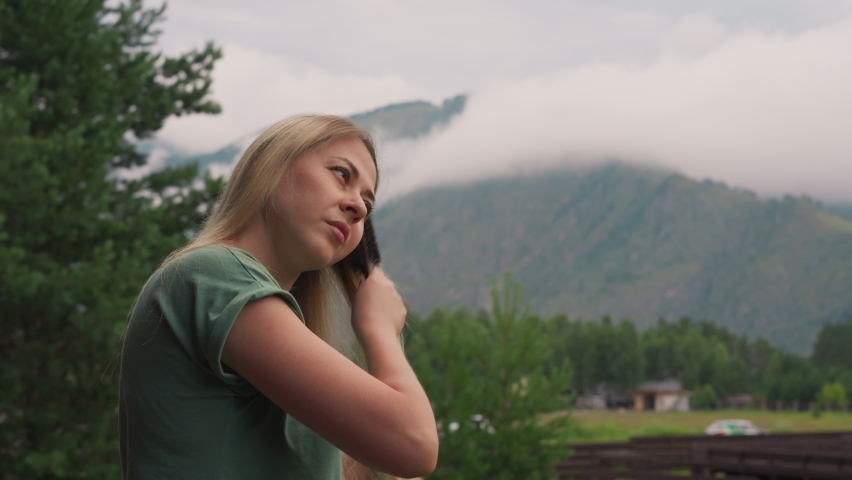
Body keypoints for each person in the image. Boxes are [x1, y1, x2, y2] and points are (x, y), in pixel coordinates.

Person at [119, 115, 439, 479]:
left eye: (369, 203)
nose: (360, 207)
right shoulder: (214, 277)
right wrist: (379, 330)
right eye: (341, 174)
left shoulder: (268, 334)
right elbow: (414, 445)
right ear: (274, 168)